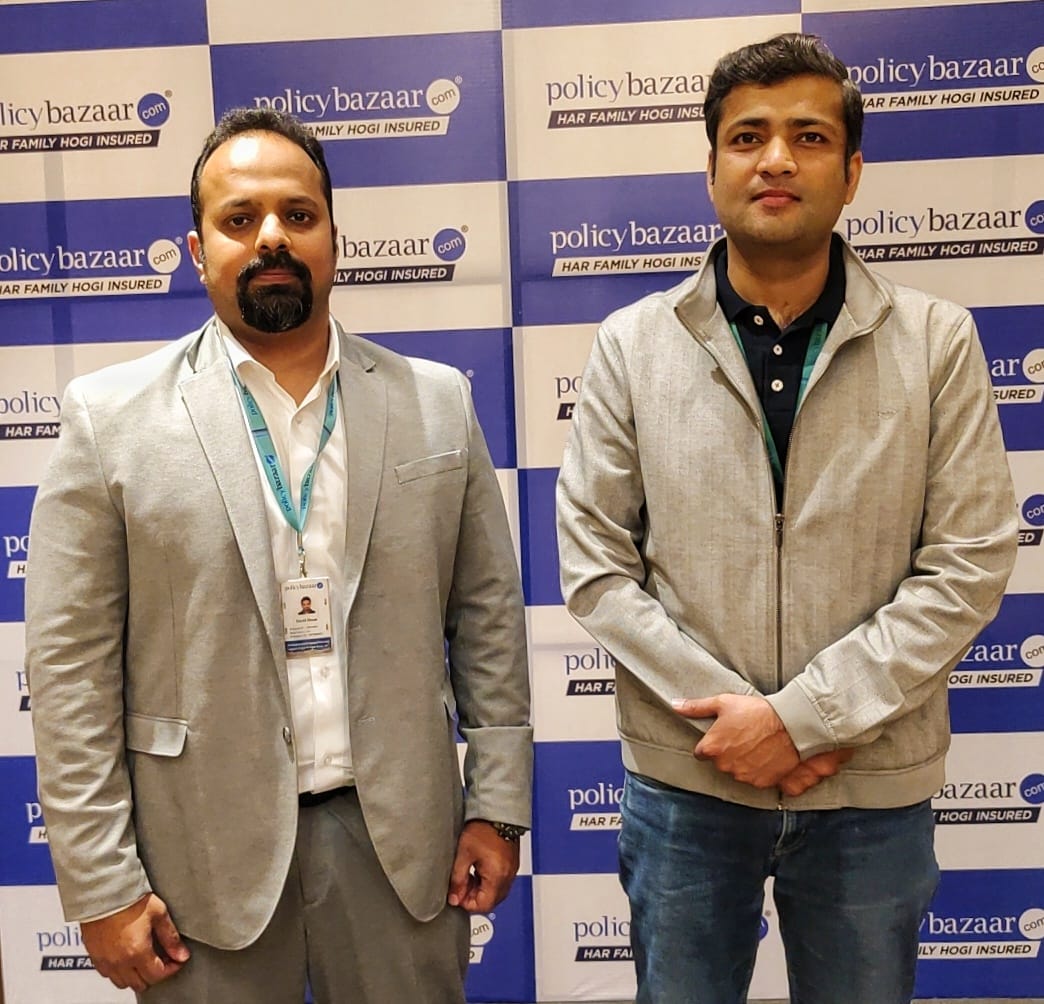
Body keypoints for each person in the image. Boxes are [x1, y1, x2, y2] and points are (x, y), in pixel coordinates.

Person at [25, 107, 532, 1003]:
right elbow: (70, 672)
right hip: (199, 861)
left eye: (298, 215)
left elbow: (487, 619)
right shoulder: (110, 421)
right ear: (198, 250)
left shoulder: (435, 403)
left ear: (335, 237)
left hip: (399, 852)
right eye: (240, 218)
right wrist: (101, 883)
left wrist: (497, 805)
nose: (271, 237)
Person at [556, 33, 1017, 1004]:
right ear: (711, 167)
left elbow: (969, 561)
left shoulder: (937, 343)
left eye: (808, 136)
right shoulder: (632, 345)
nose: (775, 159)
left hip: (869, 787)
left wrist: (807, 719)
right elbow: (595, 565)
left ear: (852, 172)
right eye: (747, 136)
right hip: (689, 786)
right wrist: (744, 726)